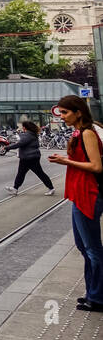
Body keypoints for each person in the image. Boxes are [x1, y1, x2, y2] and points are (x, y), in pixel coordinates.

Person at [47, 96, 103, 312]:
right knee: (84, 247)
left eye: (65, 113)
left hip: (88, 194)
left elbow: (97, 166)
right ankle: (93, 293)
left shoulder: (88, 132)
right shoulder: (78, 133)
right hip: (79, 193)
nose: (62, 117)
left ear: (78, 112)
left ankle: (98, 297)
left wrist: (66, 161)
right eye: (61, 113)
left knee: (92, 248)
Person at [6, 120, 55, 196]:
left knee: (38, 173)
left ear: (25, 127)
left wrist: (7, 148)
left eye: (22, 127)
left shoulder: (28, 135)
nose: (22, 128)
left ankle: (51, 188)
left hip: (29, 158)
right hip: (30, 157)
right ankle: (15, 189)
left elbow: (20, 143)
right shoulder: (32, 134)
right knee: (22, 173)